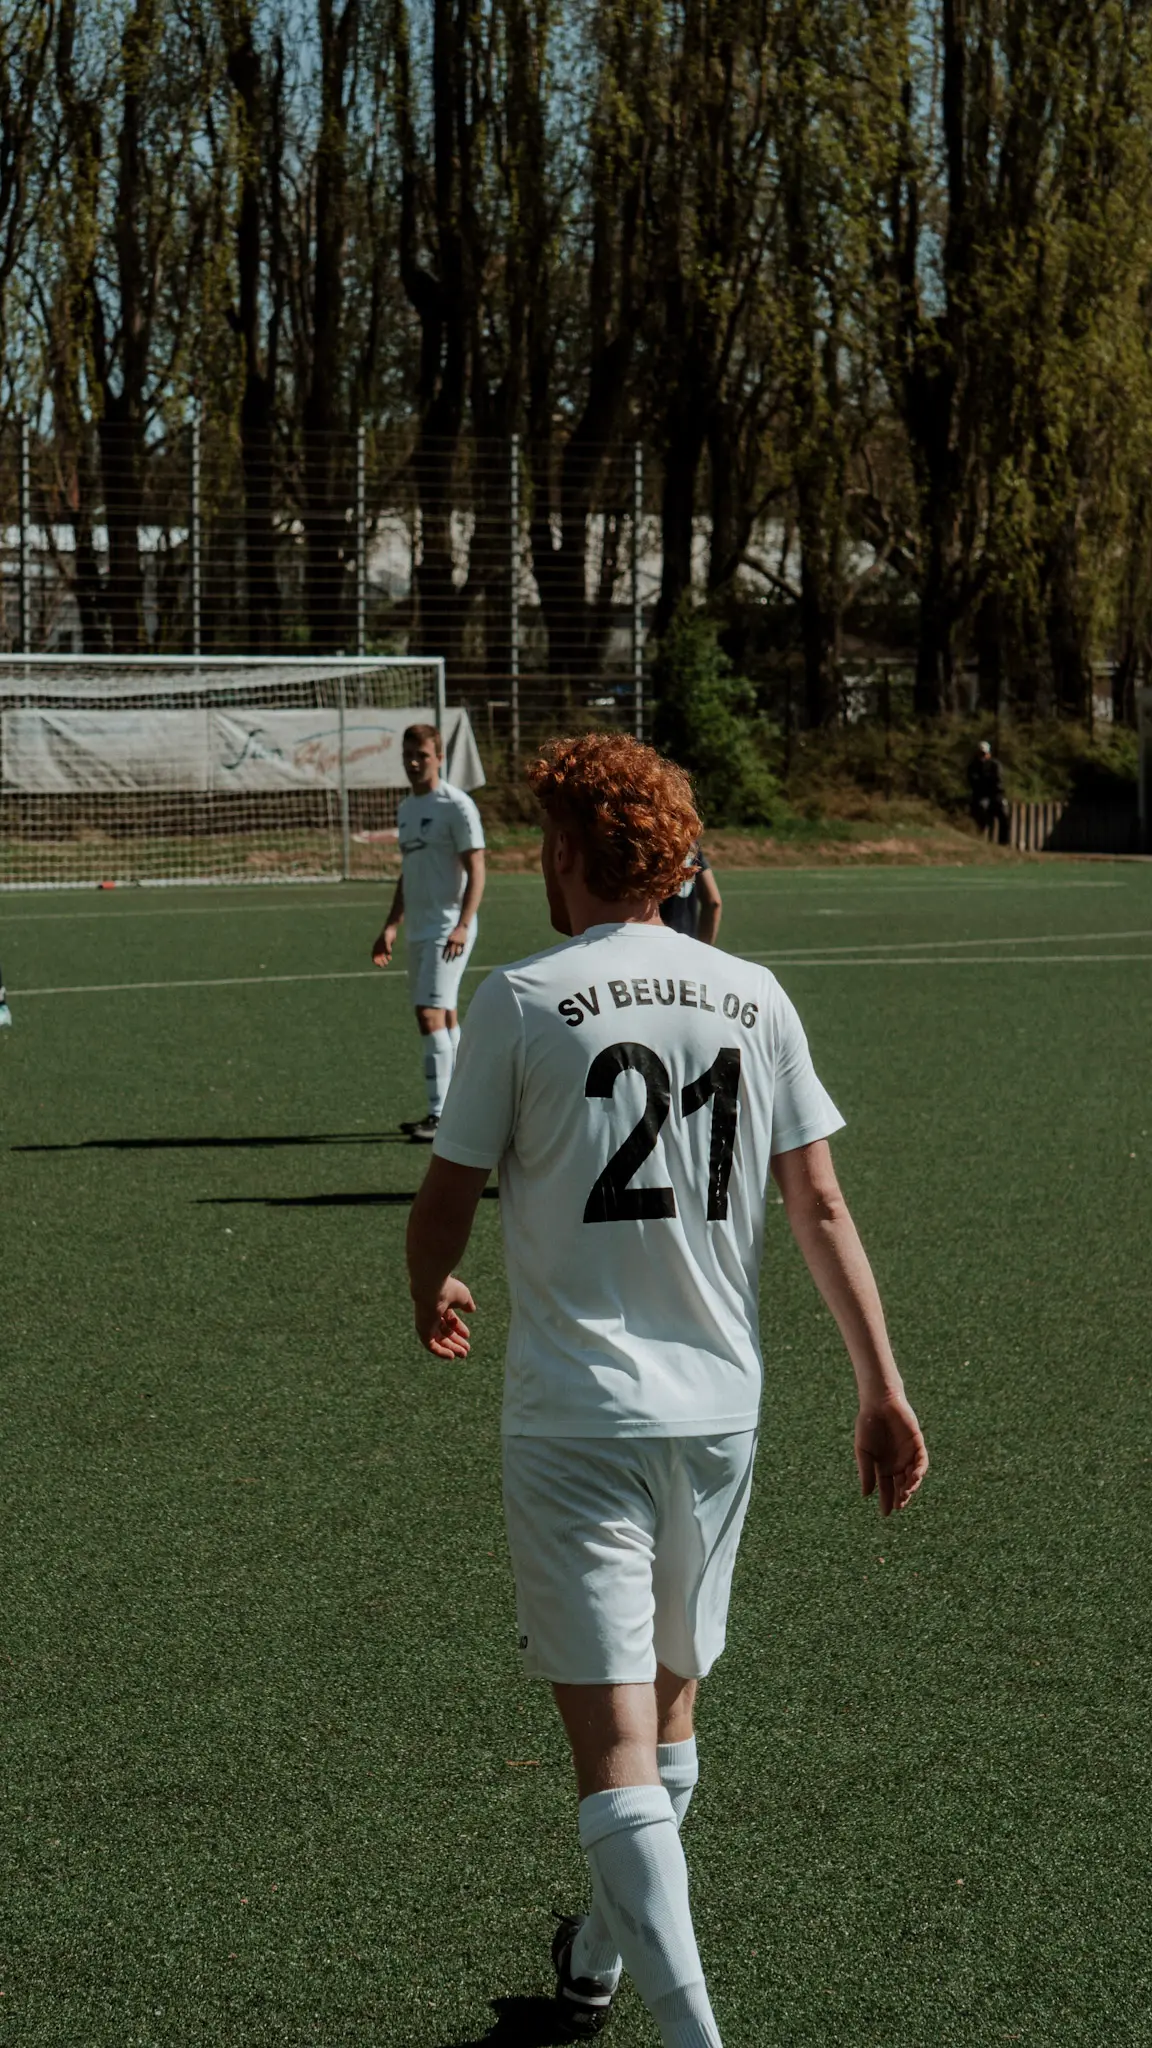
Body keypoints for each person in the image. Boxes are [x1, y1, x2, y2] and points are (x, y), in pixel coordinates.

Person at [405, 733, 928, 2046]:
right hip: (719, 1413)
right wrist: (880, 1382)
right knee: (671, 1717)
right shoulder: (754, 993)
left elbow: (447, 1194)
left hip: (577, 1418)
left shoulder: (522, 998)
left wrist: (430, 1283)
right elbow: (819, 1202)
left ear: (566, 854)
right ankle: (593, 1957)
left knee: (616, 1753)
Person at [371, 723, 486, 1142]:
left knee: (429, 1014)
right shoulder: (407, 808)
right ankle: (463, 1107)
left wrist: (463, 925)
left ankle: (439, 1116)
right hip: (419, 930)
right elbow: (409, 872)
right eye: (408, 755)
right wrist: (391, 924)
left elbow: (477, 868)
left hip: (447, 929)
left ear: (439, 758)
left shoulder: (456, 805)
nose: (414, 762)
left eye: (421, 755)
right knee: (446, 1016)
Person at [659, 843, 722, 943]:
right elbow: (714, 902)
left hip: (657, 937)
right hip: (688, 940)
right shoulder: (690, 844)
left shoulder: (653, 842)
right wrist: (704, 947)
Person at [968, 739, 1010, 845]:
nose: (982, 756)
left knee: (1004, 814)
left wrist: (985, 781)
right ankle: (979, 836)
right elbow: (973, 781)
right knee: (980, 810)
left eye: (984, 753)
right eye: (980, 753)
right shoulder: (973, 766)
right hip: (981, 795)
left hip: (996, 794)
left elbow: (998, 780)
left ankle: (1003, 842)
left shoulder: (995, 764)